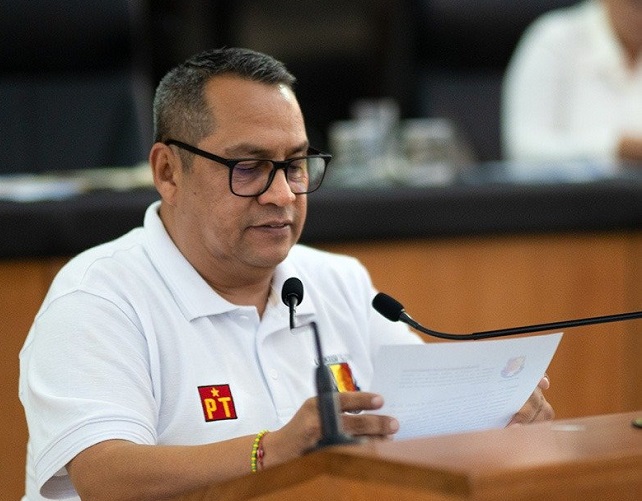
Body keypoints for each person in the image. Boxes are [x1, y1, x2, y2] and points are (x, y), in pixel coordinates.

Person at [19, 47, 553, 501]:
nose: (281, 195)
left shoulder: (340, 282)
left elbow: (415, 427)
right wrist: (271, 450)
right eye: (248, 167)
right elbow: (106, 476)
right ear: (168, 171)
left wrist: (487, 417)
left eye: (294, 166)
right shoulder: (98, 297)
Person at [502, 0, 642, 163]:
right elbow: (523, 150)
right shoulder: (555, 38)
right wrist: (616, 147)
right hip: (565, 180)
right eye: (635, 5)